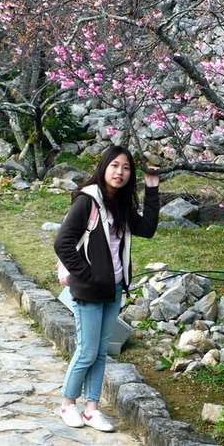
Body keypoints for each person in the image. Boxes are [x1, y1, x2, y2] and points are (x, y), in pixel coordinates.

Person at [54, 145, 160, 432]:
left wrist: (152, 188)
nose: (119, 172)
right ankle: (67, 404)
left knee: (101, 352)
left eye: (125, 168)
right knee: (87, 351)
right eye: (114, 165)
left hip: (113, 288)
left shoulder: (121, 204)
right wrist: (87, 276)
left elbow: (147, 229)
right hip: (89, 290)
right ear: (104, 168)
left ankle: (91, 409)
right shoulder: (86, 201)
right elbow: (62, 243)